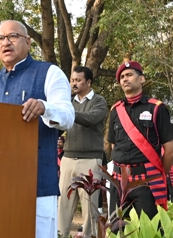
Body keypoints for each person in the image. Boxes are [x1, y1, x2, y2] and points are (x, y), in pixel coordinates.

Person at [0, 20, 74, 238]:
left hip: (37, 184)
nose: (6, 42)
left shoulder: (49, 73)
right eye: (0, 39)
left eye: (12, 36)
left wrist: (44, 107)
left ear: (28, 42)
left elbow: (68, 116)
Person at [107, 60, 173, 220]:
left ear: (142, 79)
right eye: (122, 77)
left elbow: (171, 150)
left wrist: (159, 175)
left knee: (150, 231)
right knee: (118, 231)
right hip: (119, 182)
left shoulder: (156, 108)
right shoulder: (115, 111)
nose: (125, 79)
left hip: (146, 182)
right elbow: (113, 146)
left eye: (129, 75)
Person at [58, 65, 107, 238]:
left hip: (90, 160)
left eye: (78, 80)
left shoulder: (99, 101)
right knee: (63, 204)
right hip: (68, 158)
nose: (74, 83)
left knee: (89, 208)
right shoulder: (68, 102)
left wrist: (67, 112)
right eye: (72, 80)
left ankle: (89, 236)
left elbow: (91, 119)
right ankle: (60, 235)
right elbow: (60, 123)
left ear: (88, 82)